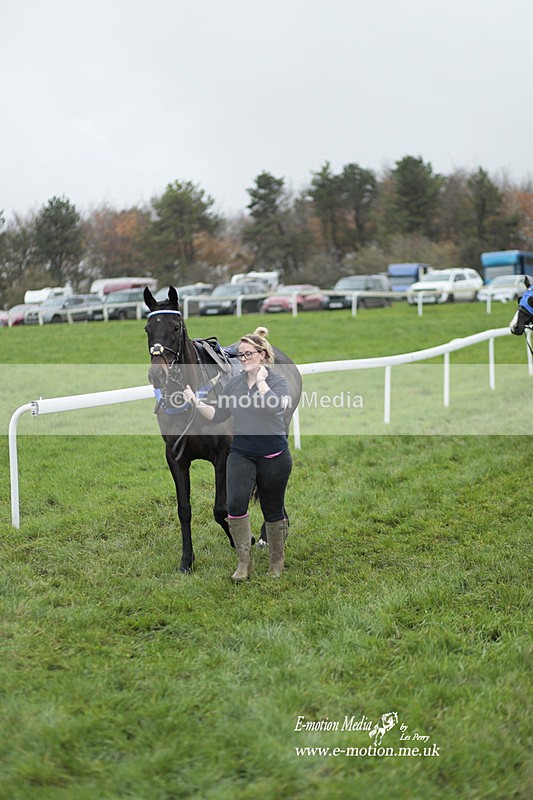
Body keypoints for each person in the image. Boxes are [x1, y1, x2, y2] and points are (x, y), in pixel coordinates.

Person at [183, 327, 292, 581]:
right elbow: (219, 415)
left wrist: (262, 381)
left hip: (273, 455)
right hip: (241, 453)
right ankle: (244, 563)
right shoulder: (233, 384)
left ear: (262, 355)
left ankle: (277, 561)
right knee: (234, 506)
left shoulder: (278, 382)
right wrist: (195, 402)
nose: (243, 359)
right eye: (240, 355)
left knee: (273, 509)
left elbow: (274, 408)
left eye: (248, 354)